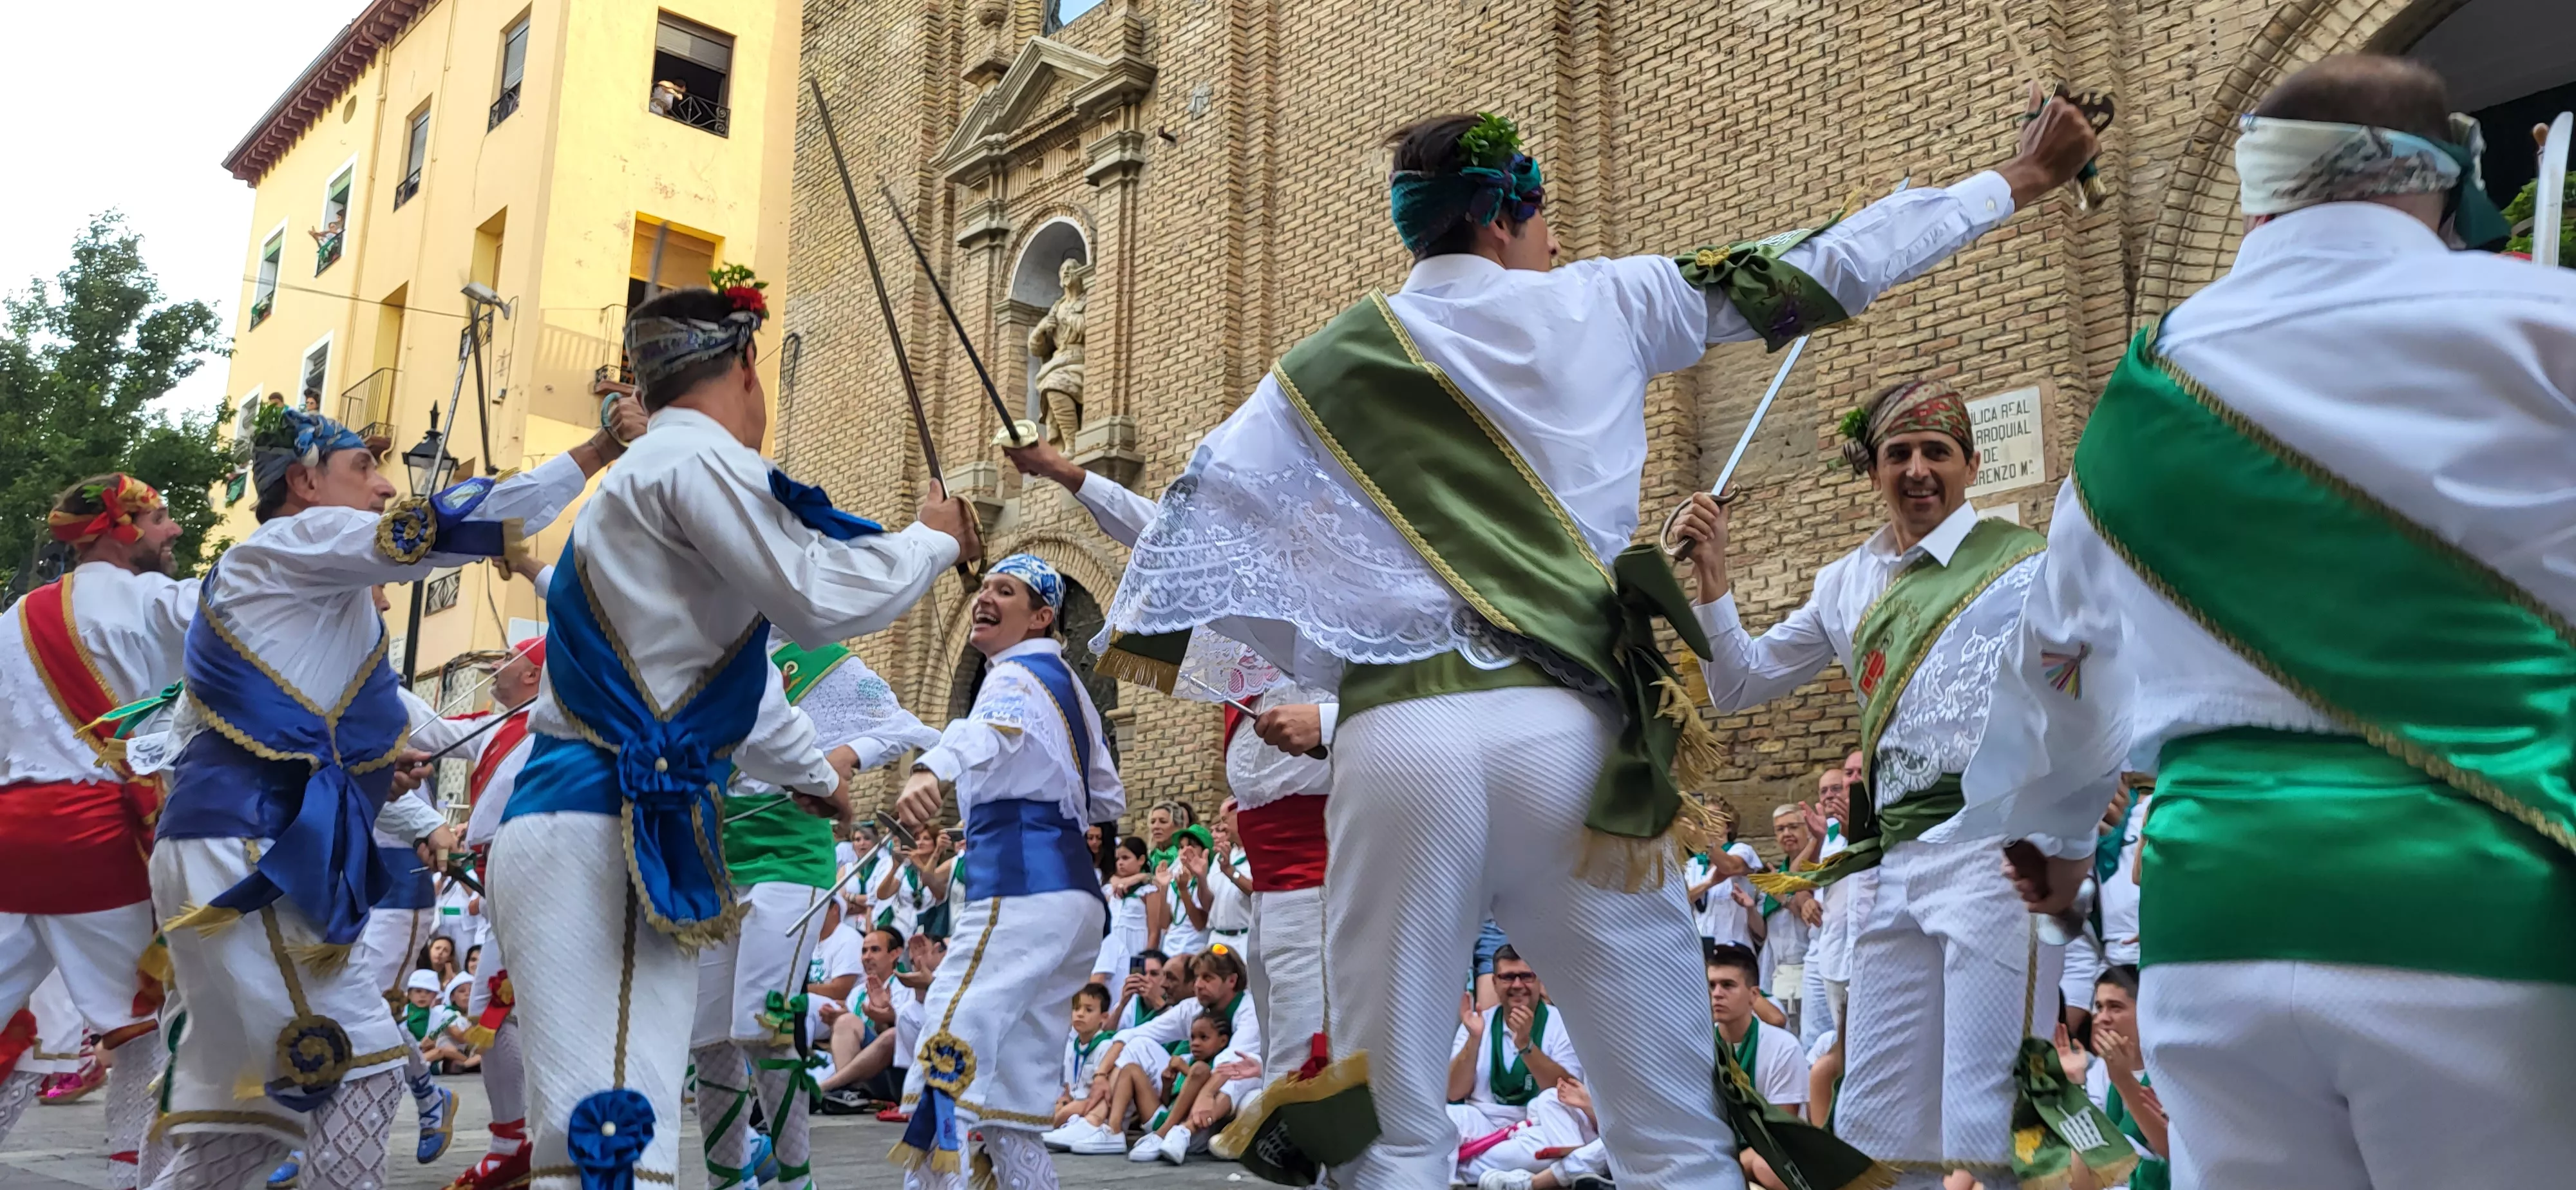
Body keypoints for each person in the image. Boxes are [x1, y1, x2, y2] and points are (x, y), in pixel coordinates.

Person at [1094, 91, 2098, 1185]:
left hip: (1399, 743)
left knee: (1393, 1118)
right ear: (1500, 220)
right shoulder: (1610, 298)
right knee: (1669, 1122)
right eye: (1543, 218)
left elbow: (1192, 531)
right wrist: (2018, 179)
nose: (1555, 239)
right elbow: (1826, 264)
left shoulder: (1320, 368)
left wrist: (1343, 645)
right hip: (1573, 743)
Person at [1956, 53, 2576, 1190]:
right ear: (2446, 179)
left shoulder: (2138, 399)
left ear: (2256, 192)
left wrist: (2052, 846)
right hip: (2492, 900)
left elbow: (2055, 665)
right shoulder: (2547, 322)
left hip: (2215, 925)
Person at [489, 281, 976, 1190]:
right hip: (611, 829)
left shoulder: (635, 483)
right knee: (615, 1135)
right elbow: (818, 592)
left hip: (584, 824)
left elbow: (731, 692)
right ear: (749, 365)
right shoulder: (696, 461)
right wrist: (933, 541)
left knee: (599, 1131)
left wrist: (814, 776)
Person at [144, 400, 622, 1190]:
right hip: (250, 848)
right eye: (363, 468)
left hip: (240, 844)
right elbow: (441, 529)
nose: (385, 487)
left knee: (254, 1123)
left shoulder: (295, 583)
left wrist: (374, 771)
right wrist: (600, 445)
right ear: (304, 484)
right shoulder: (295, 539)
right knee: (359, 1066)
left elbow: (281, 727)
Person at [1003, 434, 1340, 1111]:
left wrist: (1325, 723)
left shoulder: (1351, 608)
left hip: (1322, 870)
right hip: (1272, 880)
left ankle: (1326, 1150)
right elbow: (1156, 529)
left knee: (1310, 1047)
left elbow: (1416, 707)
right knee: (1283, 1042)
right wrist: (1066, 473)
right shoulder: (1250, 614)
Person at [886, 552, 1126, 1189]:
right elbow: (1107, 795)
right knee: (1009, 1101)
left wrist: (932, 769)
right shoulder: (1067, 685)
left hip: (1020, 885)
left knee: (948, 1053)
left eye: (1006, 590)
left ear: (1042, 616)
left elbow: (987, 731)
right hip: (1071, 895)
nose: (984, 598)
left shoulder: (1015, 674)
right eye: (984, 587)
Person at [0, 474, 191, 1189]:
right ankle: (134, 1181)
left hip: (11, 834)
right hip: (98, 836)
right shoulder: (154, 601)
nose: (173, 531)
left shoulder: (12, 619)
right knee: (146, 1021)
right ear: (122, 528)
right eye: (161, 518)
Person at [690, 636, 936, 1190]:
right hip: (714, 856)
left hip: (790, 853)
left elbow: (901, 726)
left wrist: (842, 757)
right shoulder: (702, 646)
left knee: (763, 1024)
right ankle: (728, 1181)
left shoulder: (812, 653)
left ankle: (797, 1181)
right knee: (708, 1041)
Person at [440, 633, 547, 1190]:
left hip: (532, 877)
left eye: (508, 660)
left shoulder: (550, 726)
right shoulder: (493, 726)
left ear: (533, 676)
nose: (496, 667)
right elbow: (429, 731)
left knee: (497, 1009)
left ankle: (516, 1143)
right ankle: (519, 1142)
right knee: (505, 1011)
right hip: (502, 880)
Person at [1446, 947, 1582, 1164]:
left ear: (1540, 980)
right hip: (1484, 1121)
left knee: (1547, 1148)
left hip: (1538, 1126)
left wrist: (1526, 1046)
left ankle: (1468, 1165)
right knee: (1447, 1118)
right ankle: (1492, 1168)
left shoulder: (1563, 1024)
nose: (1518, 985)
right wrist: (1474, 1040)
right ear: (1494, 983)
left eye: (1526, 976)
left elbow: (1567, 1091)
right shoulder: (1478, 1022)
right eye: (1508, 977)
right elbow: (1454, 1094)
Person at [1053, 985, 1116, 1126]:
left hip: (1093, 1110)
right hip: (1072, 1105)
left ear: (1104, 1017)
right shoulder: (1070, 1046)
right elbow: (1068, 1088)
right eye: (1076, 1008)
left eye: (1089, 1010)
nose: (1080, 1014)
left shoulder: (1106, 1047)